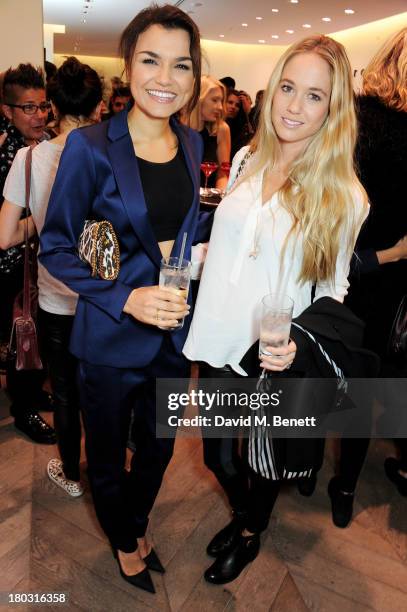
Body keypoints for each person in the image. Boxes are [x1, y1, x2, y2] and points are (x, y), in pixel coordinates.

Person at [39, 4, 211, 594]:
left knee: (160, 450)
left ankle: (135, 523)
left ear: (195, 75)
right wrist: (124, 298)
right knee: (108, 458)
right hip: (111, 341)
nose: (165, 77)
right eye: (151, 60)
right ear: (128, 65)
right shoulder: (89, 147)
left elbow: (182, 229)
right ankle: (124, 540)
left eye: (181, 65)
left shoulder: (193, 141)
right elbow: (55, 249)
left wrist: (197, 254)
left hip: (172, 337)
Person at [184, 35, 369, 584]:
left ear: (333, 111)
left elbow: (335, 287)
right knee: (218, 457)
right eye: (288, 87)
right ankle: (245, 515)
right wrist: (182, 262)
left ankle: (249, 532)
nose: (293, 106)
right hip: (218, 332)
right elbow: (230, 247)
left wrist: (298, 343)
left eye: (314, 96)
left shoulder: (346, 196)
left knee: (258, 458)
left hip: (271, 357)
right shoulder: (245, 157)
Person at [0, 57, 103, 497]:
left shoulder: (29, 158)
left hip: (57, 293)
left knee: (64, 389)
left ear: (54, 105)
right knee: (103, 385)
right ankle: (106, 466)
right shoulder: (114, 153)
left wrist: (41, 223)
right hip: (105, 295)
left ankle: (72, 473)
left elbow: (5, 236)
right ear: (99, 105)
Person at [328, 27, 407, 525]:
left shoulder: (357, 119)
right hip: (382, 273)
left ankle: (309, 470)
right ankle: (345, 484)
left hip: (350, 269)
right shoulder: (365, 120)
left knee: (330, 371)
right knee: (363, 383)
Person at [0, 64, 56, 445]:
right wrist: (41, 216)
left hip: (43, 262)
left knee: (38, 334)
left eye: (43, 106)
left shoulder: (49, 143)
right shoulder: (5, 154)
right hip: (9, 264)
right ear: (8, 110)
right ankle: (24, 409)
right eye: (28, 108)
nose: (38, 116)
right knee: (22, 334)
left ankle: (32, 393)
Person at [188, 75, 231, 190]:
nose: (221, 107)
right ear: (198, 99)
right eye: (214, 100)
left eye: (221, 101)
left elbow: (223, 174)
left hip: (208, 200)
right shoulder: (177, 127)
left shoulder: (221, 129)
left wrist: (219, 198)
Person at [225, 89, 254, 158]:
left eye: (237, 105)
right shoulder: (214, 124)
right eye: (230, 102)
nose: (233, 107)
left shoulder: (239, 129)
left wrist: (248, 112)